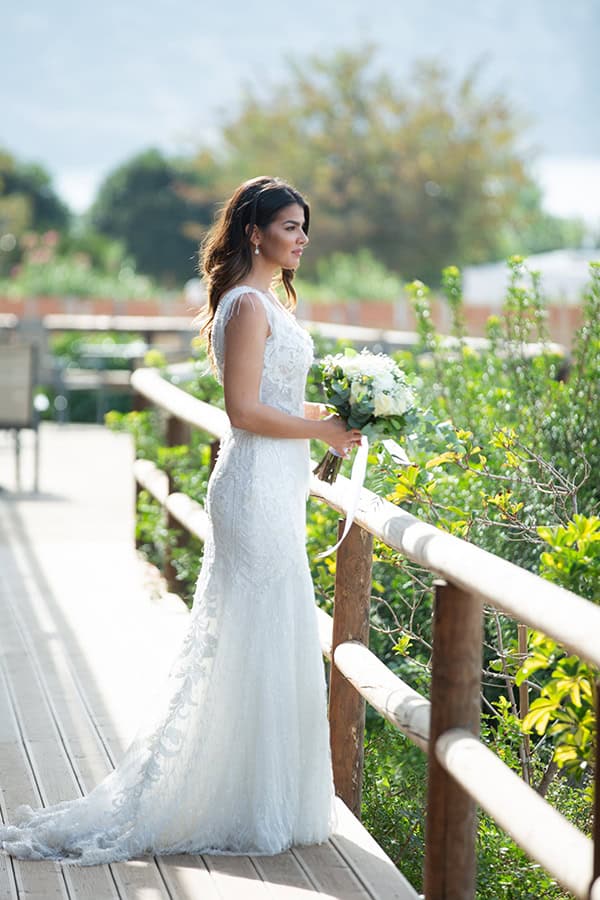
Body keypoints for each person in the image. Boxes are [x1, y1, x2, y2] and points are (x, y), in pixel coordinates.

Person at [0, 175, 362, 865]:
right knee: (257, 630)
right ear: (254, 232)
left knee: (272, 629)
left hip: (277, 485)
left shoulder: (266, 301)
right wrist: (320, 433)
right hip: (255, 487)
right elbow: (244, 412)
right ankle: (238, 802)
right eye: (290, 226)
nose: (302, 239)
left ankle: (263, 795)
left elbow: (275, 396)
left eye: (304, 227)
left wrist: (334, 415)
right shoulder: (247, 304)